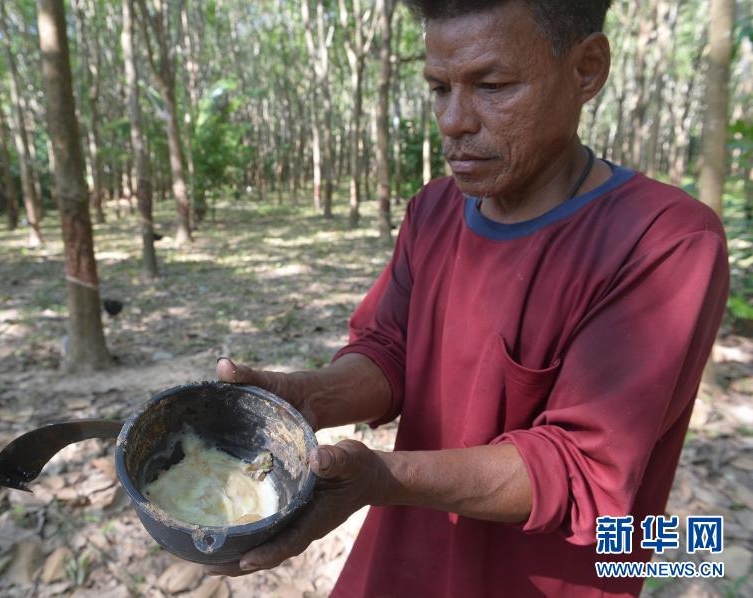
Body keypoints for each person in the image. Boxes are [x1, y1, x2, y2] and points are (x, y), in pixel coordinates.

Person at [205, 1, 730, 596]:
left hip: (542, 579)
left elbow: (582, 466)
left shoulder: (662, 240)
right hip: (403, 556)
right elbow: (390, 350)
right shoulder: (433, 212)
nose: (454, 121)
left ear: (586, 70)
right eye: (438, 87)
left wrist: (378, 475)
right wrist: (301, 398)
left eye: (493, 85)